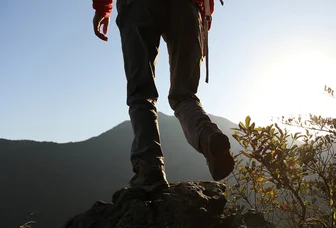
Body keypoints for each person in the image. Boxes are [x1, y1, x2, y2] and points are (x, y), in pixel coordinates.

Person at [92, 0, 234, 191]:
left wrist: (102, 8)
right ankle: (208, 136)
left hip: (138, 7)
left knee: (141, 93)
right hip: (188, 6)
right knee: (184, 95)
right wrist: (204, 16)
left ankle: (149, 169)